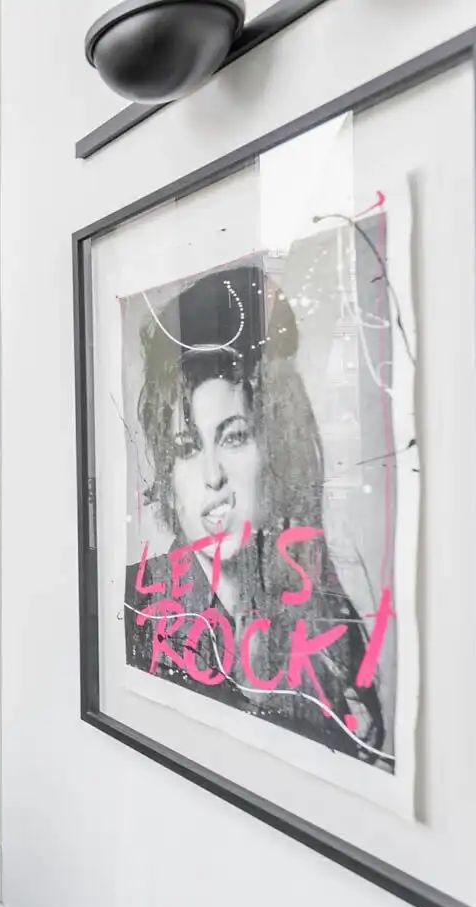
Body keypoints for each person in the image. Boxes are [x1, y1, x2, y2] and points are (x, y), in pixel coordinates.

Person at [123, 264, 390, 767]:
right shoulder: (133, 604)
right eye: (186, 447)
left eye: (234, 437)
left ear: (273, 450)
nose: (212, 476)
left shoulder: (328, 620)